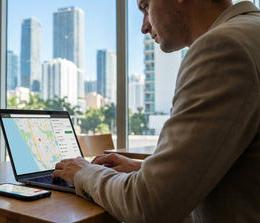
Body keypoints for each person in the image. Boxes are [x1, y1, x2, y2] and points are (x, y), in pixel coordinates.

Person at [52, 0, 260, 222]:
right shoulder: (250, 31)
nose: (144, 26)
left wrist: (84, 173)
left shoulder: (222, 46)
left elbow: (149, 205)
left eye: (145, 7)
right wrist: (147, 170)